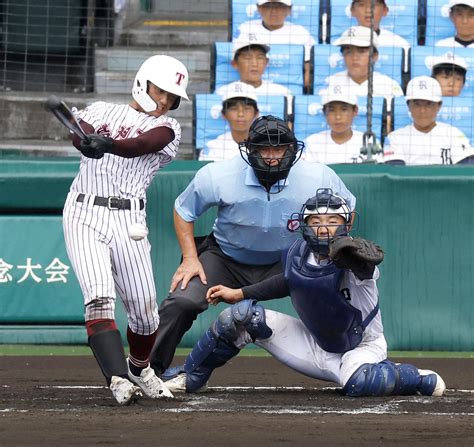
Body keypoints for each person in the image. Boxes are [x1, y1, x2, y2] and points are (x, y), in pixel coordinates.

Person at [162, 188, 446, 399]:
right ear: (304, 225)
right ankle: (191, 376)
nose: (324, 228)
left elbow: (365, 269)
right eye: (316, 221)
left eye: (333, 220)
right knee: (238, 317)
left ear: (347, 223)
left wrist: (359, 261)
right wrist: (239, 292)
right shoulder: (295, 253)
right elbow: (286, 282)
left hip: (361, 348)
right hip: (313, 345)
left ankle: (414, 378)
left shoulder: (355, 259)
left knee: (358, 382)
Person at [149, 116, 356, 376]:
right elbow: (183, 211)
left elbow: (347, 209)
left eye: (278, 148)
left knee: (332, 296)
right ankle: (146, 369)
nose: (272, 157)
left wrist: (326, 254)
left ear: (291, 150)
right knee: (182, 301)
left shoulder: (318, 176)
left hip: (287, 261)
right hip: (224, 257)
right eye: (263, 149)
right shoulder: (217, 175)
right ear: (250, 150)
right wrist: (191, 258)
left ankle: (354, 361)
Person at [62, 55, 189, 405]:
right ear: (143, 81)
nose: (165, 101)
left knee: (146, 314)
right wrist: (84, 140)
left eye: (172, 97)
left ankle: (139, 367)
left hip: (129, 220)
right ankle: (117, 378)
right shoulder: (101, 109)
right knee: (100, 297)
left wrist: (108, 145)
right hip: (84, 211)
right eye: (161, 91)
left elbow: (142, 146)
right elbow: (78, 131)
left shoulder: (172, 129)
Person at [384, 76, 473, 165]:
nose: (422, 110)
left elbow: (466, 170)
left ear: (439, 106)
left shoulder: (453, 134)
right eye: (417, 104)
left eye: (429, 104)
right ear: (408, 106)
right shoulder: (395, 138)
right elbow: (395, 174)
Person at [236, 0, 316, 90]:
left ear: (289, 9)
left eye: (279, 6)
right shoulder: (246, 28)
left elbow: (310, 62)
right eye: (268, 6)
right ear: (259, 8)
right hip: (250, 87)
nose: (273, 10)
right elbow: (235, 57)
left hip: (290, 89)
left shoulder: (300, 32)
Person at [303, 81, 382, 164]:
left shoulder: (369, 142)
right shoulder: (311, 143)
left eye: (344, 109)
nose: (338, 117)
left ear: (355, 111)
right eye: (331, 110)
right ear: (324, 112)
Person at [322, 26, 404, 104]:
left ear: (374, 56)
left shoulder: (389, 86)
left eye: (361, 51)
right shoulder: (330, 83)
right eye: (348, 51)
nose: (354, 57)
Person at [215, 34, 292, 97]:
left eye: (260, 57)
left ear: (266, 63)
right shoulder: (223, 93)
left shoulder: (281, 93)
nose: (254, 64)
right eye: (247, 58)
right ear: (235, 64)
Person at [199, 82, 260, 161]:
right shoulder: (213, 148)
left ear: (256, 113)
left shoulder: (267, 147)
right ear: (224, 114)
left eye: (246, 108)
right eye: (234, 108)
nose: (240, 114)